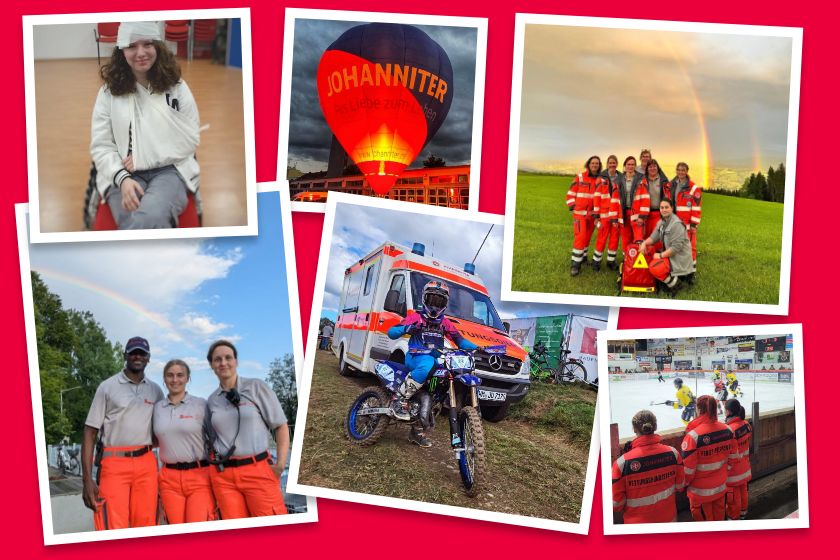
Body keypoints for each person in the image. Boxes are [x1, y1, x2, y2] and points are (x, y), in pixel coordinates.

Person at [91, 21, 201, 230]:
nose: (141, 53)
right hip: (124, 171)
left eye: (147, 44)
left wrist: (146, 157)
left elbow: (189, 139)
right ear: (121, 50)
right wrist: (122, 180)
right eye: (132, 46)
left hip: (169, 169)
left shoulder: (176, 87)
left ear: (157, 46)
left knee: (149, 217)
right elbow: (102, 146)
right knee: (135, 217)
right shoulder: (108, 93)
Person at [81, 336, 164, 530]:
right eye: (133, 353)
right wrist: (86, 480)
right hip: (114, 462)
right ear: (125, 355)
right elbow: (89, 432)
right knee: (113, 525)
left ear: (148, 358)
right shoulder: (107, 387)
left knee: (146, 524)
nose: (137, 356)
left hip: (146, 462)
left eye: (142, 353)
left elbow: (164, 428)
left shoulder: (155, 390)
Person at [387, 280, 478, 446]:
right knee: (428, 363)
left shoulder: (445, 323)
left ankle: (417, 430)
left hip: (435, 359)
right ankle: (398, 399)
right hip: (415, 357)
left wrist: (477, 348)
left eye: (439, 302)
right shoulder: (416, 317)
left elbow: (460, 340)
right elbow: (391, 332)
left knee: (440, 382)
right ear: (424, 299)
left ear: (445, 304)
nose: (435, 306)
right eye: (431, 300)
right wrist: (406, 328)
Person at [206, 340, 289, 518]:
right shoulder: (212, 400)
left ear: (236, 361)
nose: (223, 363)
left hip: (258, 470)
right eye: (217, 359)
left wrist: (280, 465)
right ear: (211, 365)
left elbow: (281, 426)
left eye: (228, 357)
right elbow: (212, 439)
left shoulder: (256, 387)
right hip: (224, 478)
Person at [153, 359, 217, 523]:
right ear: (164, 379)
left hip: (199, 477)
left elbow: (215, 439)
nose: (175, 380)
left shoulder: (201, 405)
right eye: (170, 375)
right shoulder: (157, 408)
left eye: (180, 375)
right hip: (168, 479)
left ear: (188, 378)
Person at [612, 410, 684, 523]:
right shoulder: (673, 454)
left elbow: (617, 505)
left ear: (634, 429)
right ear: (655, 426)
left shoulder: (621, 464)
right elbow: (680, 486)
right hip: (669, 519)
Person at [681, 395, 738, 521]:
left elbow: (688, 471)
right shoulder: (728, 430)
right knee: (719, 517)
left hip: (700, 493)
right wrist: (723, 473)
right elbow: (733, 457)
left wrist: (684, 484)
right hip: (720, 486)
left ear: (699, 410)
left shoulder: (693, 436)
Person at [639, 198, 693, 295]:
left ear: (672, 208)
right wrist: (644, 243)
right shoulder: (661, 222)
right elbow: (653, 238)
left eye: (666, 207)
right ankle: (665, 280)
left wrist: (660, 256)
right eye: (662, 207)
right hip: (670, 255)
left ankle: (676, 285)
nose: (664, 210)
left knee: (654, 267)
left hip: (678, 258)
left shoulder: (676, 224)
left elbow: (675, 248)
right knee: (649, 257)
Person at [566, 156, 603, 276]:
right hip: (579, 214)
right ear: (588, 164)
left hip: (592, 215)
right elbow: (571, 193)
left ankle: (583, 257)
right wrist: (572, 205)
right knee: (580, 237)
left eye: (597, 163)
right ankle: (575, 265)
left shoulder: (601, 179)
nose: (594, 165)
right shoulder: (580, 177)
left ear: (599, 165)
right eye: (593, 163)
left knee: (587, 237)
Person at [671, 162, 702, 276]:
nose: (680, 172)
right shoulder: (672, 185)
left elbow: (697, 208)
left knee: (690, 248)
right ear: (676, 171)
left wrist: (694, 224)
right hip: (675, 224)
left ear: (687, 171)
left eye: (683, 170)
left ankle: (691, 273)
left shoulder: (694, 188)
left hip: (688, 225)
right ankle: (680, 271)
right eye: (678, 170)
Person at [724, 399, 753, 520]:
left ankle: (734, 519)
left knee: (734, 497)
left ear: (728, 412)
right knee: (743, 492)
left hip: (734, 472)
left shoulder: (730, 430)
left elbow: (728, 452)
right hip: (745, 468)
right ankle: (743, 514)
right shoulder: (746, 425)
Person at [592, 154, 621, 270]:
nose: (612, 165)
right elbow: (597, 196)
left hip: (616, 214)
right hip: (604, 214)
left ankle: (611, 261)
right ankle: (596, 262)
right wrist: (596, 215)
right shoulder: (601, 177)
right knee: (602, 237)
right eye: (610, 163)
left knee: (614, 238)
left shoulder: (621, 178)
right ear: (607, 164)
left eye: (614, 163)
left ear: (617, 164)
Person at [616, 156, 649, 251]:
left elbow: (645, 198)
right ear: (625, 166)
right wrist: (615, 217)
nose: (630, 166)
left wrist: (642, 216)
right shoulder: (619, 179)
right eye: (628, 164)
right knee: (625, 238)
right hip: (623, 213)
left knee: (638, 238)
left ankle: (639, 258)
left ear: (635, 166)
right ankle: (627, 258)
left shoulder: (641, 178)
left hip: (636, 213)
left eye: (632, 164)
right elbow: (615, 199)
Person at [641, 159, 671, 248]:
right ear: (647, 169)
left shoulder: (663, 181)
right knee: (645, 236)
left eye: (654, 166)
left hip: (658, 213)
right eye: (650, 167)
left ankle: (657, 254)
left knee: (657, 236)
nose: (652, 168)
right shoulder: (642, 181)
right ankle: (646, 255)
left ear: (658, 168)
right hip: (646, 214)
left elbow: (668, 198)